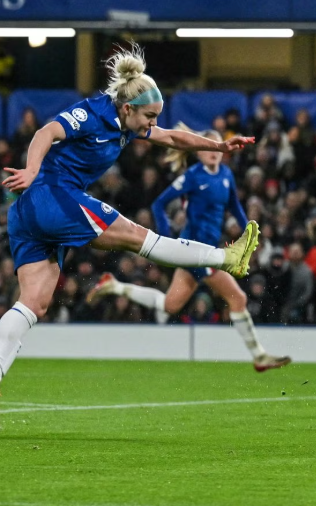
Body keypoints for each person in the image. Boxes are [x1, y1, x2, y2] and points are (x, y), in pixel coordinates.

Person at [0, 47, 261, 429]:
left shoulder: (128, 123)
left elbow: (173, 138)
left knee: (34, 303)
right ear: (127, 108)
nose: (152, 124)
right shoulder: (93, 114)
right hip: (51, 196)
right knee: (138, 237)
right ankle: (226, 258)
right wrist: (32, 169)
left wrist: (218, 146)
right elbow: (46, 132)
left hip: (31, 213)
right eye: (149, 116)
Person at [86, 127, 290, 372]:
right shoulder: (193, 176)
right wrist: (166, 239)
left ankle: (115, 286)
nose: (214, 152)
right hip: (194, 251)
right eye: (209, 146)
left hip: (207, 251)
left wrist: (248, 231)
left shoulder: (226, 175)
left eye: (217, 146)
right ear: (200, 151)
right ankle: (259, 356)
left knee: (170, 305)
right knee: (238, 298)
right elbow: (159, 203)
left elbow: (234, 205)